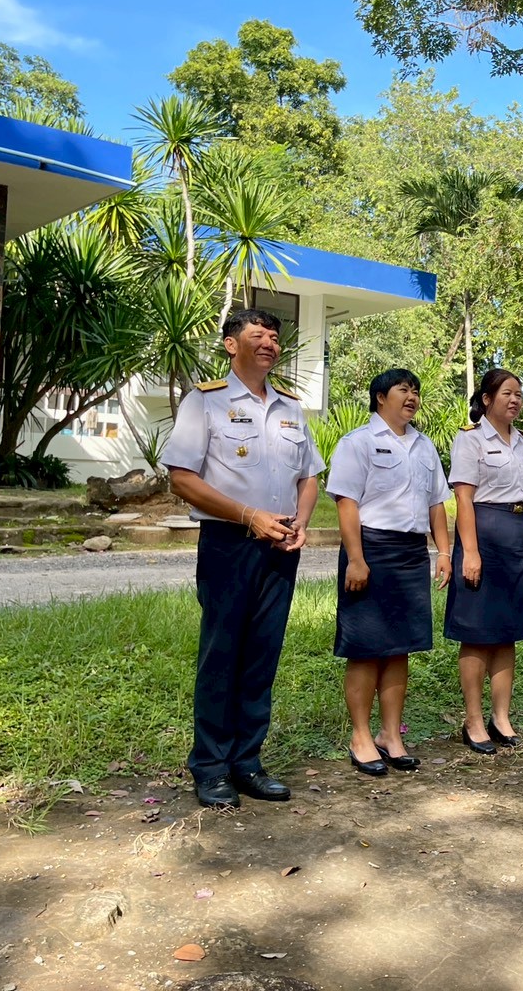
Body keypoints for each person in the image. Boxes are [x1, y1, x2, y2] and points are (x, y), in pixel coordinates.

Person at [164, 308, 324, 810]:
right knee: (222, 654)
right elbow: (182, 477)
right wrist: (248, 515)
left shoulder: (291, 408)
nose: (270, 343)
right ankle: (210, 767)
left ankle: (247, 761)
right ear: (232, 345)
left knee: (261, 656)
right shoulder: (205, 402)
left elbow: (310, 475)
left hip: (281, 546)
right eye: (258, 335)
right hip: (229, 543)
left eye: (275, 337)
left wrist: (298, 521)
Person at [327, 368, 452, 778]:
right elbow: (347, 504)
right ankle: (360, 737)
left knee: (401, 647)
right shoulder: (358, 443)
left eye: (416, 391)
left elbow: (437, 505)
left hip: (412, 554)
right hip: (372, 550)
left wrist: (444, 552)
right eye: (404, 389)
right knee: (366, 648)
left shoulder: (425, 446)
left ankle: (389, 735)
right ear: (380, 397)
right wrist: (357, 558)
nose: (412, 396)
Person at [445, 368, 523, 753]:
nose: (515, 399)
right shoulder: (470, 441)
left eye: (519, 394)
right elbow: (464, 499)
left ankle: (500, 717)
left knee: (507, 633)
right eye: (507, 393)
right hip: (484, 534)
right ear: (487, 399)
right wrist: (469, 552)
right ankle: (473, 720)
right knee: (476, 633)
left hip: (519, 537)